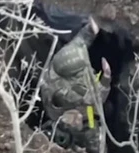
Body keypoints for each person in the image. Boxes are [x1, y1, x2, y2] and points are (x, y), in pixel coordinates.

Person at [40, 17, 112, 153]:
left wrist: (90, 30)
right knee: (95, 134)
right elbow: (97, 100)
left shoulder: (68, 56)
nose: (87, 69)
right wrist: (106, 79)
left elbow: (80, 41)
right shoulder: (65, 92)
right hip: (83, 114)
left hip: (72, 109)